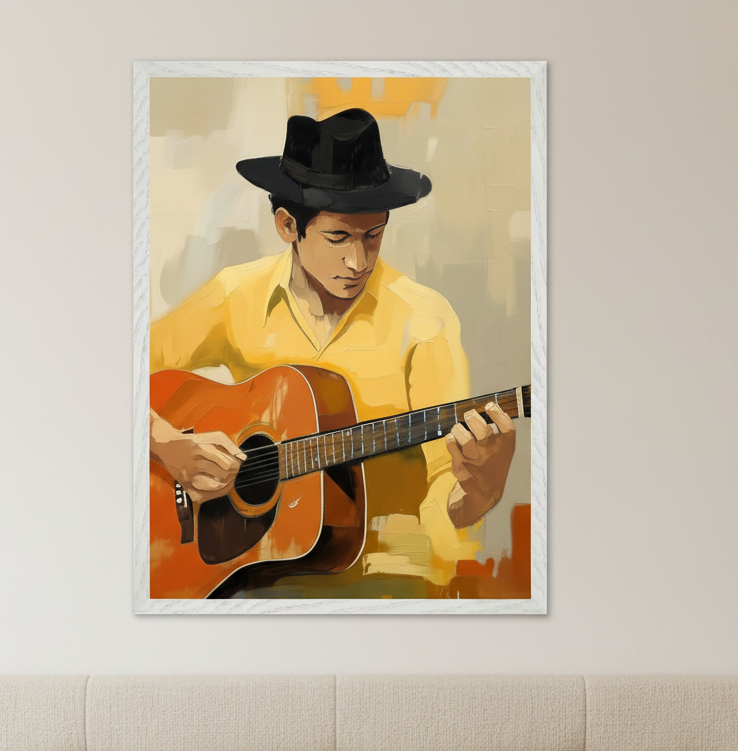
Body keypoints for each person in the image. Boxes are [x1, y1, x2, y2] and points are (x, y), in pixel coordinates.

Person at [148, 108, 516, 596]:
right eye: (338, 237)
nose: (358, 261)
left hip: (390, 582)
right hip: (243, 581)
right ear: (287, 226)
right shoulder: (235, 295)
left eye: (374, 235)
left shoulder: (425, 321)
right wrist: (169, 444)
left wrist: (480, 489)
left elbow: (444, 492)